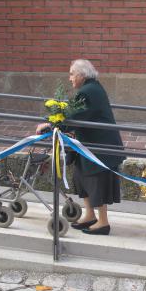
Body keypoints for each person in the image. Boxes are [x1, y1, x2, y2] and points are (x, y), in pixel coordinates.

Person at [36, 59, 125, 236]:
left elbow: (74, 116)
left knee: (95, 181)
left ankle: (103, 222)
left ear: (82, 75)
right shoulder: (90, 88)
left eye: (72, 74)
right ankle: (90, 215)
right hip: (90, 143)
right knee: (81, 177)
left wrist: (50, 126)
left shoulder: (88, 91)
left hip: (99, 145)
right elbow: (74, 115)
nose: (70, 78)